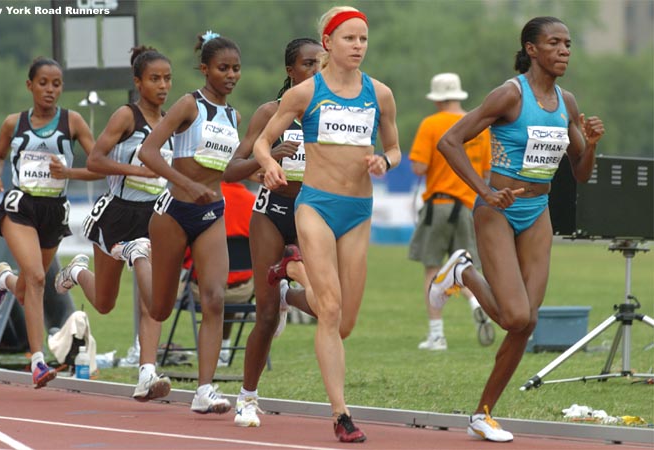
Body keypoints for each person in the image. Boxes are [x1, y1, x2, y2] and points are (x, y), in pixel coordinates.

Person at [435, 16, 605, 442]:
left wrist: (592, 143)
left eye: (568, 43)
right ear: (531, 49)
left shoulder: (567, 102)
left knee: (526, 324)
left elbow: (581, 174)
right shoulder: (510, 95)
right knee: (515, 315)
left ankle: (482, 415)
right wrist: (485, 191)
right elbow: (450, 141)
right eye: (554, 43)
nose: (564, 50)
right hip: (497, 210)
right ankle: (463, 272)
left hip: (537, 211)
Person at [253, 6, 401, 442]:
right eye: (350, 39)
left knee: (345, 322)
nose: (358, 46)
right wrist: (268, 165)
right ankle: (341, 414)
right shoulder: (304, 93)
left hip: (358, 211)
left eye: (363, 39)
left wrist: (383, 160)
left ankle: (291, 272)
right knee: (330, 310)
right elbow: (263, 142)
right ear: (328, 44)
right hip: (315, 206)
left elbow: (395, 149)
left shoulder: (381, 94)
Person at [54, 46, 173, 401]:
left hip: (153, 218)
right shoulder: (126, 116)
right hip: (117, 214)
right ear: (138, 82)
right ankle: (76, 272)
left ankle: (147, 374)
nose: (163, 85)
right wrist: (138, 169)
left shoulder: (170, 121)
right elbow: (95, 160)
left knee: (154, 297)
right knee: (104, 303)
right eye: (155, 79)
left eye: (167, 78)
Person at [138, 30, 241, 415]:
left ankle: (204, 390)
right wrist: (185, 183)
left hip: (211, 213)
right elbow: (149, 152)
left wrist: (266, 163)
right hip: (173, 212)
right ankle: (139, 259)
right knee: (161, 308)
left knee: (214, 298)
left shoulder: (234, 115)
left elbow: (228, 169)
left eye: (235, 69)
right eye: (222, 68)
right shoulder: (187, 105)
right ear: (205, 69)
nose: (231, 75)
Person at [222, 36, 323, 428]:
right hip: (272, 212)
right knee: (264, 315)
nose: (316, 71)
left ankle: (285, 291)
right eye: (308, 64)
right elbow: (232, 169)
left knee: (328, 306)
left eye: (321, 64)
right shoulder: (270, 113)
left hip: (312, 212)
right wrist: (268, 159)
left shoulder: (331, 114)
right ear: (290, 70)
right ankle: (247, 398)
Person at [0, 56, 97, 388]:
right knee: (35, 277)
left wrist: (69, 173)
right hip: (20, 206)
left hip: (54, 211)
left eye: (56, 84)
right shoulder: (12, 123)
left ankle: (3, 280)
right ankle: (37, 362)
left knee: (26, 286)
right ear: (30, 85)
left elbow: (99, 165)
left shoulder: (73, 122)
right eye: (43, 83)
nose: (50, 90)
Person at [407, 73, 495, 351]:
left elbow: (419, 168)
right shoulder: (478, 125)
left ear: (437, 100)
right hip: (468, 208)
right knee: (466, 268)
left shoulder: (431, 124)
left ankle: (437, 335)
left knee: (433, 268)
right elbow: (486, 171)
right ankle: (475, 303)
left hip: (438, 207)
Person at [181, 181, 256, 367]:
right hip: (244, 292)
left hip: (203, 291)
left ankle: (141, 347)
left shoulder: (203, 200)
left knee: (211, 283)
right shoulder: (253, 202)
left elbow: (184, 256)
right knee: (223, 288)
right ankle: (224, 347)